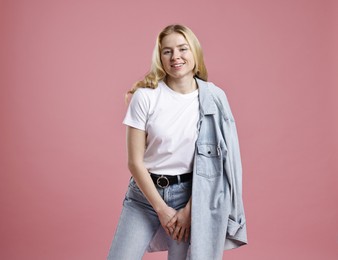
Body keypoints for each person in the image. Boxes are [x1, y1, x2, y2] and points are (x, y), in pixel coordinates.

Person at [107, 24, 247, 260]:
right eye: (167, 51)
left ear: (195, 52)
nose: (176, 57)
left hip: (191, 195)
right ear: (160, 57)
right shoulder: (145, 96)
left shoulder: (214, 98)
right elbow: (135, 163)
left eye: (183, 49)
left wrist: (190, 211)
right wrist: (162, 209)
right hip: (144, 195)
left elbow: (221, 165)